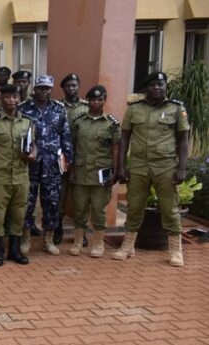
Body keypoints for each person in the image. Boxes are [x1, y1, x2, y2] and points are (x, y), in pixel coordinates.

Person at [114, 72, 190, 267]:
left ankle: (176, 251)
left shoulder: (176, 108)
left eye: (160, 84)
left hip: (165, 165)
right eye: (152, 85)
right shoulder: (134, 109)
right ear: (146, 88)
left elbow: (183, 140)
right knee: (134, 206)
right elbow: (124, 138)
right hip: (139, 165)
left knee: (169, 208)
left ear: (165, 87)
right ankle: (128, 246)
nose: (156, 88)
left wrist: (182, 168)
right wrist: (121, 166)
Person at [0, 84, 36, 267]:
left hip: (21, 176)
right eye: (7, 97)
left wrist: (33, 154)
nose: (11, 100)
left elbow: (33, 144)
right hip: (0, 176)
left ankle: (14, 250)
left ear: (19, 99)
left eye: (14, 96)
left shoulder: (27, 121)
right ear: (1, 98)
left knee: (19, 214)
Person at [18, 75, 72, 255]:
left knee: (51, 202)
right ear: (35, 89)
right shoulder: (23, 109)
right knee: (27, 201)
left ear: (51, 89)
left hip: (52, 164)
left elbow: (65, 136)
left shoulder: (59, 109)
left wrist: (67, 161)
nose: (44, 91)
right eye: (40, 88)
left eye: (47, 88)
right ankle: (25, 238)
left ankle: (47, 240)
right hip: (29, 164)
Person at [68, 85, 120, 257]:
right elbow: (73, 147)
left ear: (104, 100)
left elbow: (115, 149)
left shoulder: (111, 124)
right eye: (92, 99)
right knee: (79, 209)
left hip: (101, 174)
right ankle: (77, 242)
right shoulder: (79, 122)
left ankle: (98, 244)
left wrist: (116, 171)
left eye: (99, 99)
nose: (96, 102)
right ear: (88, 101)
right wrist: (72, 170)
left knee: (99, 210)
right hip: (81, 173)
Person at [57, 73, 90, 245]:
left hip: (81, 159)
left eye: (74, 85)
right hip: (61, 159)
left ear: (79, 86)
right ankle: (57, 230)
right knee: (59, 197)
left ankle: (80, 232)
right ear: (63, 88)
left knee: (80, 200)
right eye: (68, 85)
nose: (71, 88)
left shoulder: (87, 108)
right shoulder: (57, 107)